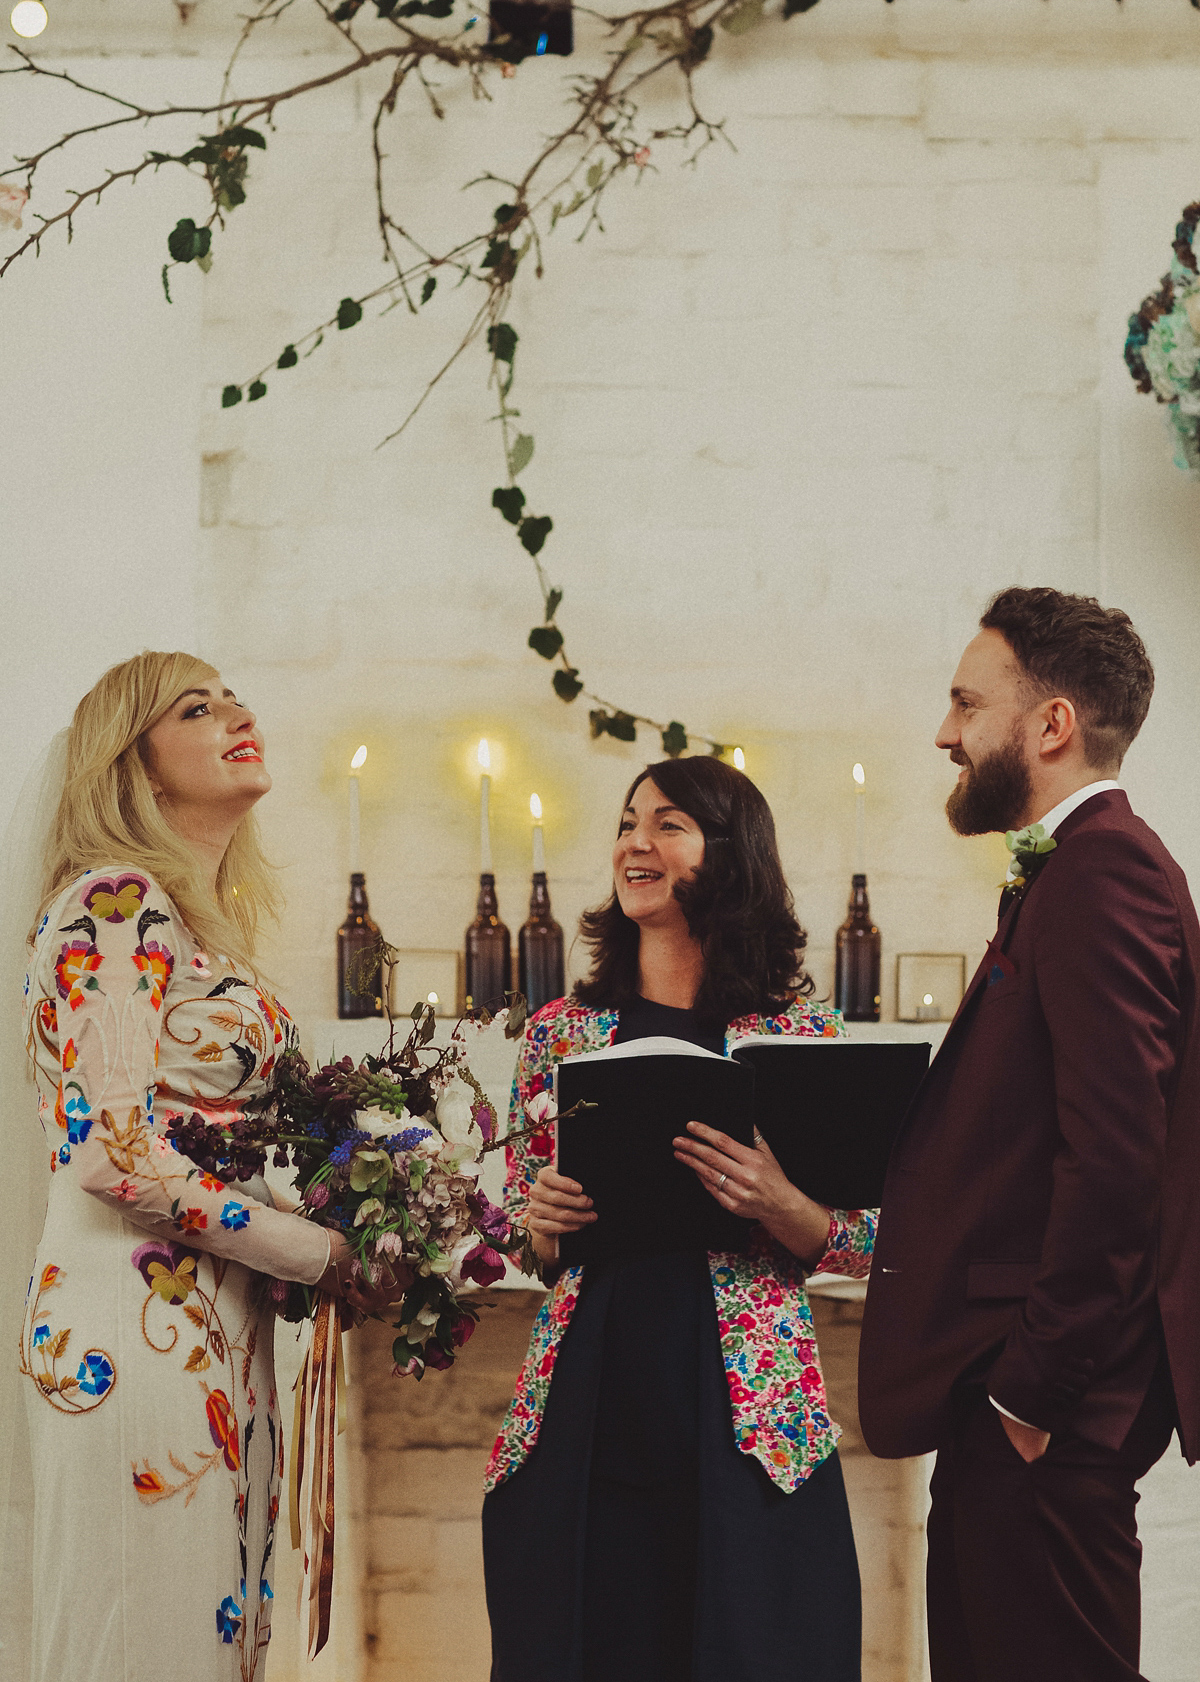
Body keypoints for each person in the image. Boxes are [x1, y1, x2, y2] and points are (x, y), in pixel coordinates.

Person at [2, 651, 389, 1682]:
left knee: (216, 1647)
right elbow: (108, 1150)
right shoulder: (115, 906)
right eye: (196, 706)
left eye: (236, 698)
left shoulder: (198, 928)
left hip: (218, 1324)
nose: (236, 713)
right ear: (134, 762)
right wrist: (315, 1249)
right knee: (145, 1635)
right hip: (130, 1325)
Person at [858, 586, 1200, 1682]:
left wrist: (1032, 1395)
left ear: (1050, 724)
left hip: (1053, 1402)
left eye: (968, 702)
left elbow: (1118, 1157)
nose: (946, 733)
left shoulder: (1108, 872)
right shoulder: (1068, 872)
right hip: (1013, 1390)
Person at [481, 754, 874, 1682]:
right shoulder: (558, 1034)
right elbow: (519, 1234)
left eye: (667, 824)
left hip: (747, 1394)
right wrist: (541, 1218)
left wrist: (788, 1208)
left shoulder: (802, 1035)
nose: (635, 843)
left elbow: (867, 1239)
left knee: (757, 1642)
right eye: (626, 823)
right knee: (591, 1637)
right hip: (592, 1382)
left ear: (730, 856)